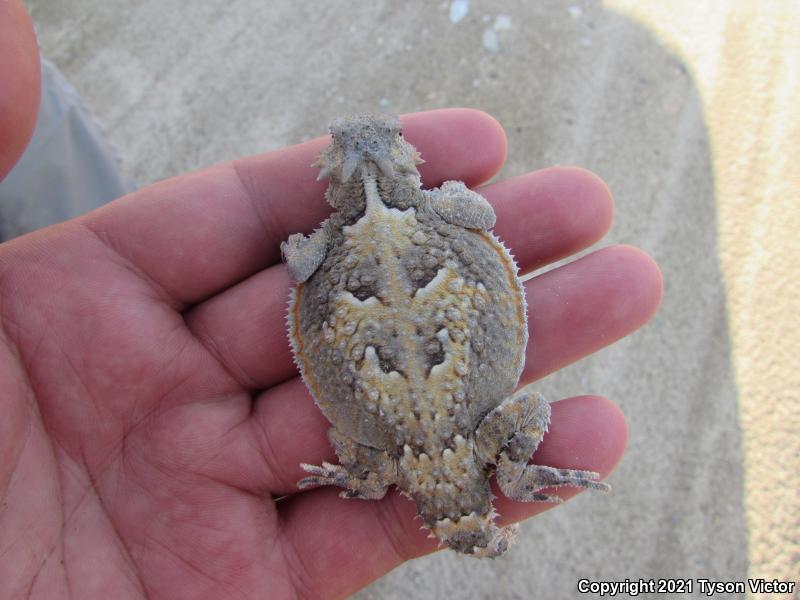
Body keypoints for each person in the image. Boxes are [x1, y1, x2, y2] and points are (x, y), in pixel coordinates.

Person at [0, 3, 662, 598]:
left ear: (332, 180)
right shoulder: (442, 209)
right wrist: (451, 195)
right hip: (434, 428)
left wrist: (305, 243)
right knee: (533, 408)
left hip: (395, 437)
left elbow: (296, 264)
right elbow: (482, 213)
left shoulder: (325, 242)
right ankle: (511, 478)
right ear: (408, 162)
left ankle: (423, 483)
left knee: (511, 416)